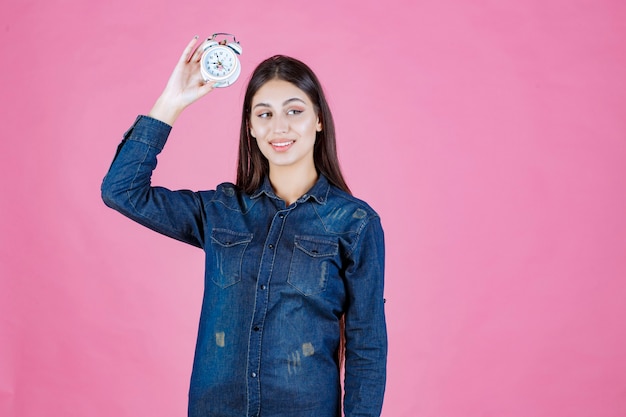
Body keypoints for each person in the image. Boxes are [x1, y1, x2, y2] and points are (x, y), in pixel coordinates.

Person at [101, 35, 387, 417]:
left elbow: (366, 343)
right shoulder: (221, 210)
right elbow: (121, 190)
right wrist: (173, 100)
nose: (279, 127)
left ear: (319, 119)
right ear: (250, 127)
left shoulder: (355, 223)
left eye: (294, 111)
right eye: (264, 114)